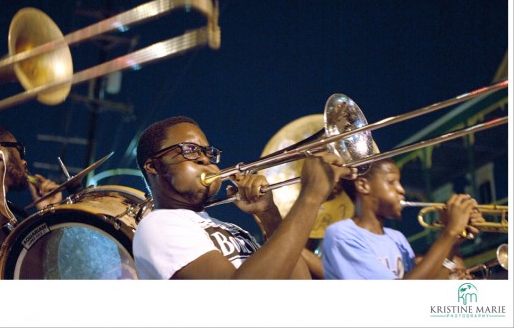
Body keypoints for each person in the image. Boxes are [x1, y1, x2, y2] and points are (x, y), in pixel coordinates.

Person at [132, 116, 358, 279]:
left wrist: (269, 215)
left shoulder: (230, 228)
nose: (205, 160)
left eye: (208, 153)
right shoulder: (158, 224)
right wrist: (310, 197)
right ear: (153, 166)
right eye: (189, 150)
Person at [322, 158, 484, 279]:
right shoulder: (341, 234)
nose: (401, 190)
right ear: (363, 185)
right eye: (391, 182)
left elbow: (426, 284)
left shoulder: (396, 237)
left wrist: (453, 243)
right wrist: (449, 232)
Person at [0, 124, 63, 272]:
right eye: (20, 150)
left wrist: (49, 212)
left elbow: (45, 270)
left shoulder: (15, 225)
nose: (24, 161)